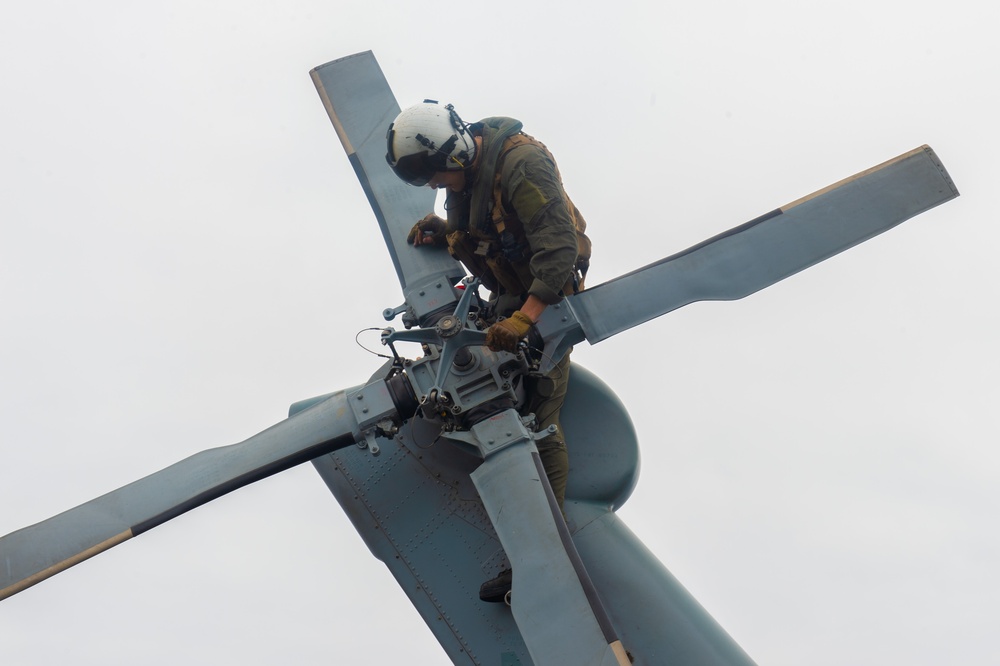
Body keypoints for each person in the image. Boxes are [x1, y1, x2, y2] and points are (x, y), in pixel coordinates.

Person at [385, 100, 591, 602]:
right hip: (506, 293)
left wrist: (528, 317)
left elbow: (559, 248)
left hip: (550, 300)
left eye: (436, 176)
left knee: (538, 419)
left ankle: (546, 557)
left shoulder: (522, 165)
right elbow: (485, 233)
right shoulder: (467, 175)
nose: (436, 187)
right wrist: (448, 235)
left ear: (453, 155)